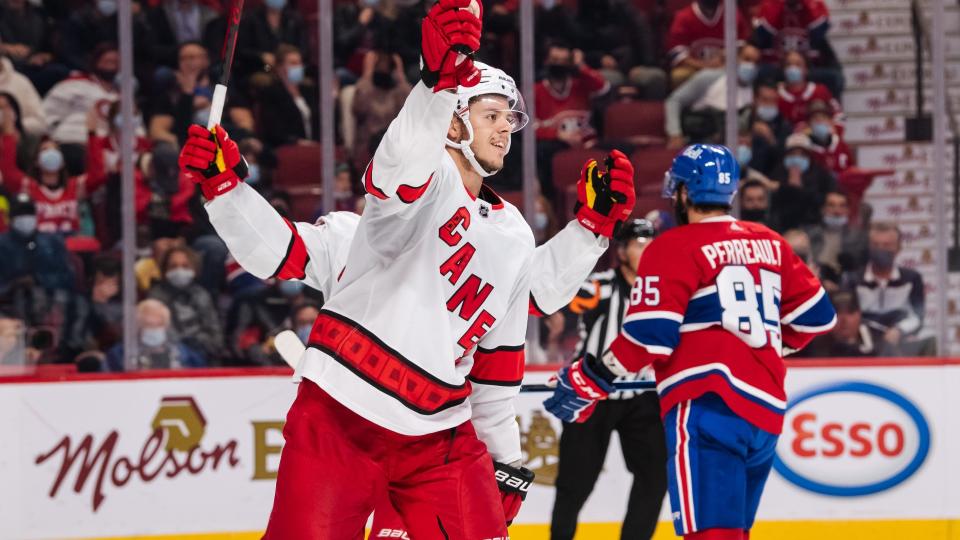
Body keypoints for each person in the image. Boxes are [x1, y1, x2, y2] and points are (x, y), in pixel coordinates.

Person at [178, 1, 635, 535]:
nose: (506, 129)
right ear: (455, 123)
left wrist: (590, 229)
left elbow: (519, 320)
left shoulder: (511, 232)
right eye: (491, 115)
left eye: (510, 118)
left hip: (438, 435)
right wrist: (225, 189)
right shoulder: (401, 199)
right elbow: (286, 242)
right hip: (342, 418)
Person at [544, 144, 837, 540]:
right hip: (764, 413)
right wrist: (764, 345)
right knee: (733, 532)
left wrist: (590, 378)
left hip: (707, 407)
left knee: (710, 533)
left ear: (682, 193)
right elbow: (819, 317)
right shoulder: (770, 241)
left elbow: (649, 339)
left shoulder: (674, 246)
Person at [551, 218, 666, 540]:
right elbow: (554, 295)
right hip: (591, 394)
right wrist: (553, 313)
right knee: (575, 483)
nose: (646, 251)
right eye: (639, 245)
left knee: (655, 477)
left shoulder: (661, 292)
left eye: (650, 245)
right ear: (623, 251)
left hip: (641, 394)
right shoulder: (600, 286)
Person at [854, 222, 926, 356]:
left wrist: (899, 330)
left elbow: (918, 316)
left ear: (898, 248)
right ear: (869, 247)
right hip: (863, 338)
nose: (881, 249)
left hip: (900, 338)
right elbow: (849, 316)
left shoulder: (912, 278)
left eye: (887, 245)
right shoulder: (855, 279)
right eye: (876, 245)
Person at [146, 245, 222, 361]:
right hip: (169, 358)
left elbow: (215, 336)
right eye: (173, 266)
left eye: (185, 266)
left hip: (202, 356)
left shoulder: (201, 294)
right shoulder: (156, 296)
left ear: (194, 269)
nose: (179, 270)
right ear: (165, 270)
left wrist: (199, 341)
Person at [106, 299, 206, 371]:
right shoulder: (119, 354)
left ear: (166, 326)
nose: (154, 329)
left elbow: (203, 378)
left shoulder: (184, 353)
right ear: (138, 326)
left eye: (159, 324)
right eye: (148, 325)